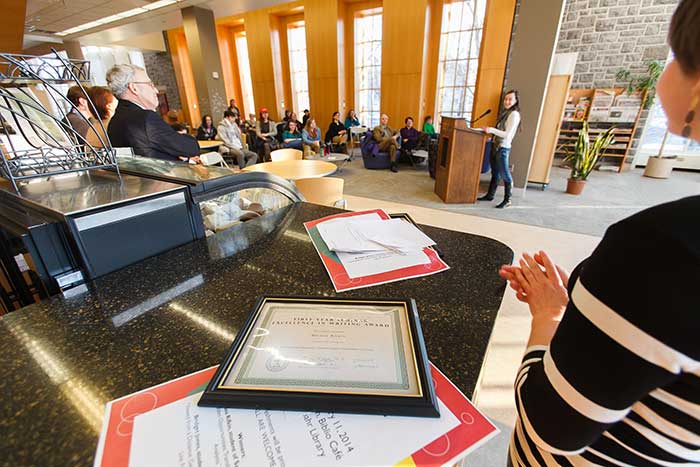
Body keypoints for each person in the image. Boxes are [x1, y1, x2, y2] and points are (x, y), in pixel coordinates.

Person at [501, 2, 700, 466]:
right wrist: (596, 317)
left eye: (673, 55)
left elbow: (553, 423)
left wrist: (549, 318)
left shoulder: (664, 249)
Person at [107, 64, 199, 163]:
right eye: (150, 84)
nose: (156, 90)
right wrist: (179, 140)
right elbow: (191, 148)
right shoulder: (145, 118)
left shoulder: (114, 122)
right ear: (134, 88)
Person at [478, 89, 521, 208]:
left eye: (510, 99)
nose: (507, 101)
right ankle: (490, 195)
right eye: (506, 99)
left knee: (505, 175)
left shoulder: (514, 114)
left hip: (503, 148)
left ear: (515, 101)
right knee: (495, 173)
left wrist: (490, 130)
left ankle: (508, 200)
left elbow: (507, 134)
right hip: (495, 145)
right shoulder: (505, 113)